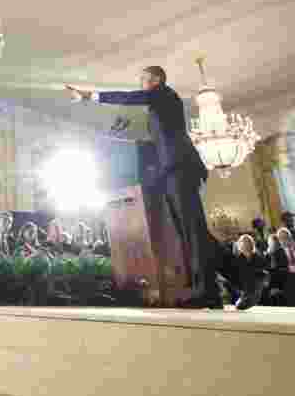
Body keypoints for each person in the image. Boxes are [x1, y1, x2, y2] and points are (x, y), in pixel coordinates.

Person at [68, 66, 235, 309]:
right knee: (192, 232)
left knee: (192, 231)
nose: (142, 83)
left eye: (145, 79)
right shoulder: (157, 106)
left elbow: (130, 97)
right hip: (171, 170)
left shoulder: (163, 94)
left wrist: (91, 95)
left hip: (180, 168)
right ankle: (217, 289)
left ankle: (222, 285)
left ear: (157, 79)